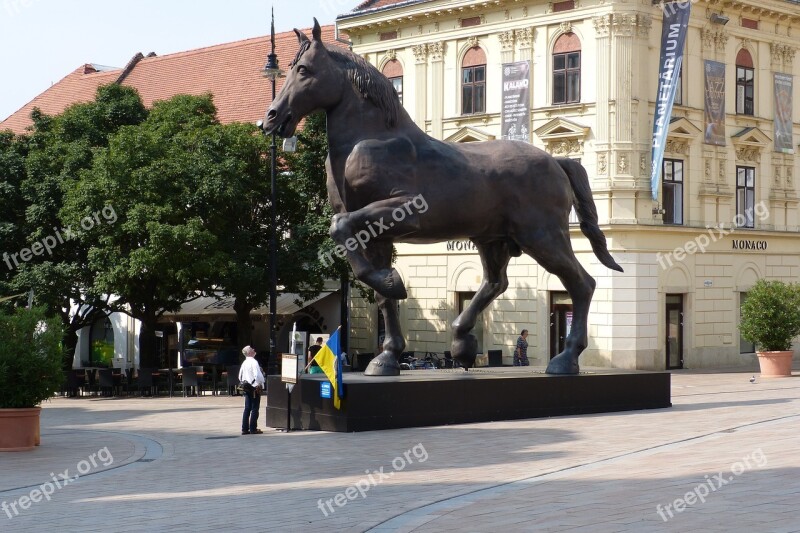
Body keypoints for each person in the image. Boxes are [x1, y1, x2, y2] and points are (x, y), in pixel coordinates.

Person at [238, 345, 265, 435]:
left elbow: (240, 376)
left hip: (246, 387)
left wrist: (244, 382)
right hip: (254, 386)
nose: (254, 350)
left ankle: (244, 429)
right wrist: (260, 383)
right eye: (252, 349)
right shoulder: (254, 362)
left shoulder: (244, 363)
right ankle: (253, 428)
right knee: (254, 408)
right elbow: (257, 375)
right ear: (249, 352)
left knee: (247, 408)